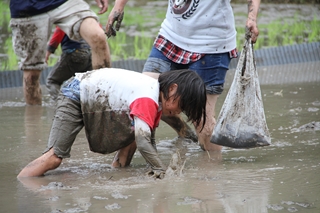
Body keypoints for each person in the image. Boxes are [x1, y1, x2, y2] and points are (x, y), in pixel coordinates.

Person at [107, 0, 261, 151]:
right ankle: (184, 133)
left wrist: (252, 18)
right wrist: (118, 6)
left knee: (203, 122)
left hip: (211, 45)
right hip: (171, 36)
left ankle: (212, 170)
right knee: (145, 96)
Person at [17, 68, 207, 179]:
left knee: (136, 132)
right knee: (54, 158)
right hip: (75, 94)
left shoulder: (155, 98)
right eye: (181, 104)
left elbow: (148, 137)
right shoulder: (148, 96)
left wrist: (158, 165)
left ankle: (118, 171)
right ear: (172, 88)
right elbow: (144, 141)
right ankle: (23, 181)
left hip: (94, 98)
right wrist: (160, 171)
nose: (179, 111)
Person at [9, 0, 112, 105]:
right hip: (27, 7)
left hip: (65, 3)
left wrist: (49, 51)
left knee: (98, 37)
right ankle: (34, 118)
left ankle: (100, 106)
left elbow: (58, 34)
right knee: (31, 75)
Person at [45, 26, 93, 100]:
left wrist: (48, 52)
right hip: (88, 54)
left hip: (72, 53)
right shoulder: (88, 17)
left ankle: (60, 104)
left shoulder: (67, 17)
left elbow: (58, 33)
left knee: (52, 81)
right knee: (83, 83)